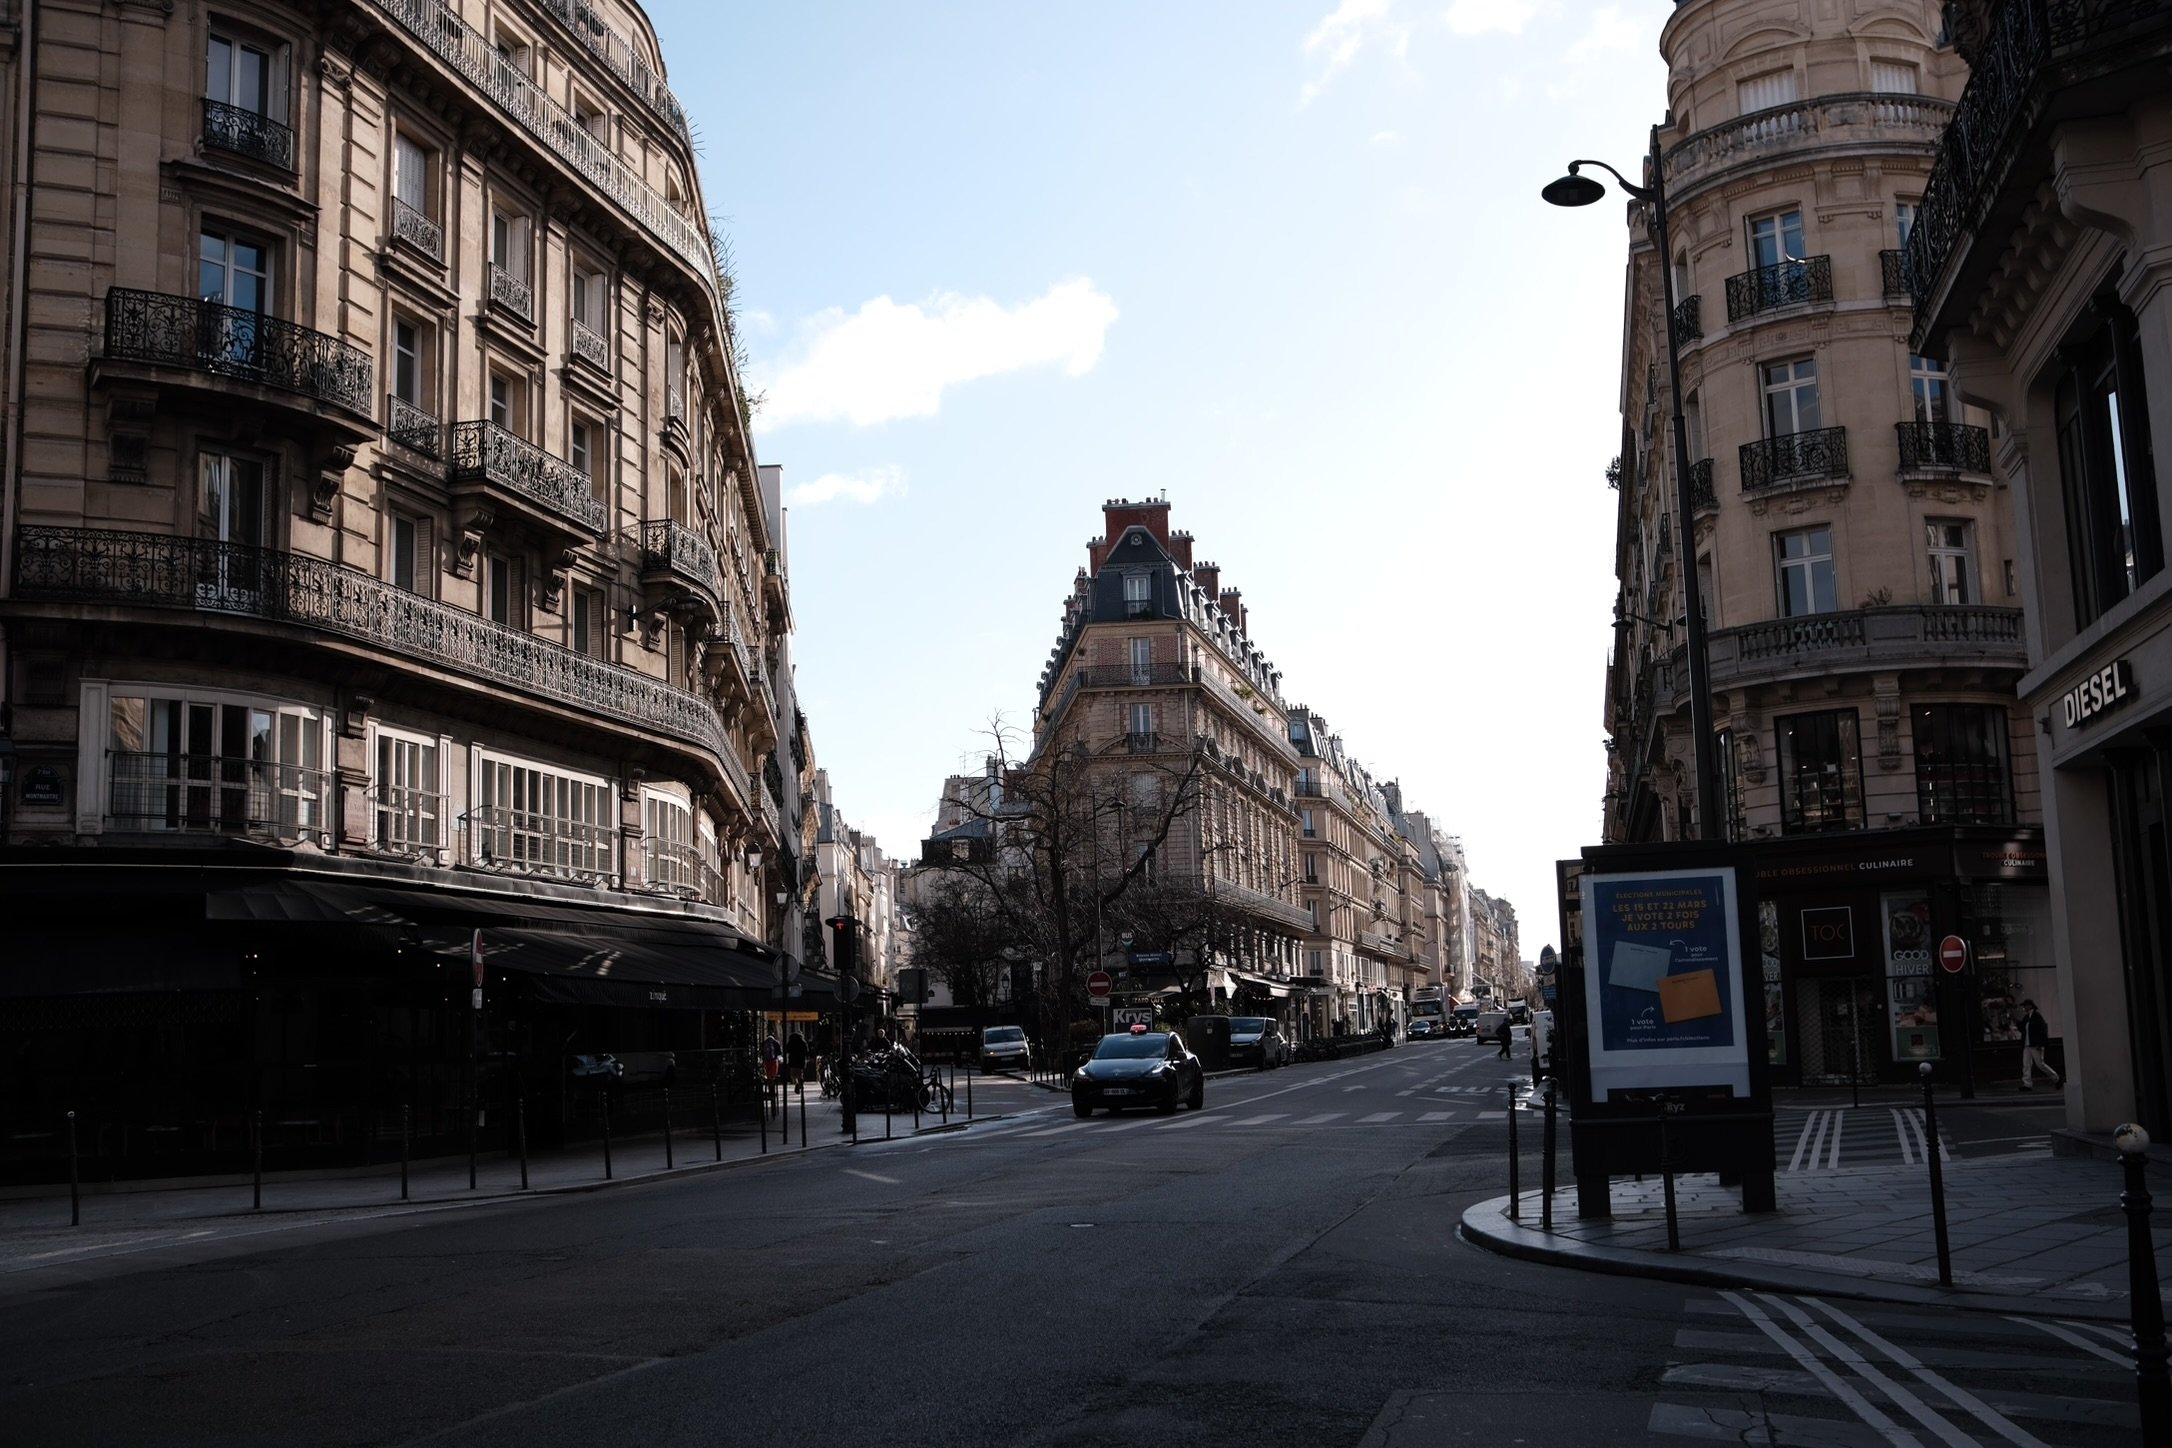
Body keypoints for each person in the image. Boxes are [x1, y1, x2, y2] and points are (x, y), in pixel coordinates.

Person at [2020, 1000, 2061, 1090]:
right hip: (2027, 1045)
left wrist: (2040, 1043)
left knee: (2040, 1064)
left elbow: (2042, 1030)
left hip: (2034, 1044)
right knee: (2026, 1064)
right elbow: (2023, 1029)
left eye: (2025, 1006)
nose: (2024, 1008)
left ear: (2030, 1006)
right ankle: (2027, 1083)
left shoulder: (2036, 1016)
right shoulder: (2027, 1017)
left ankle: (2056, 1078)